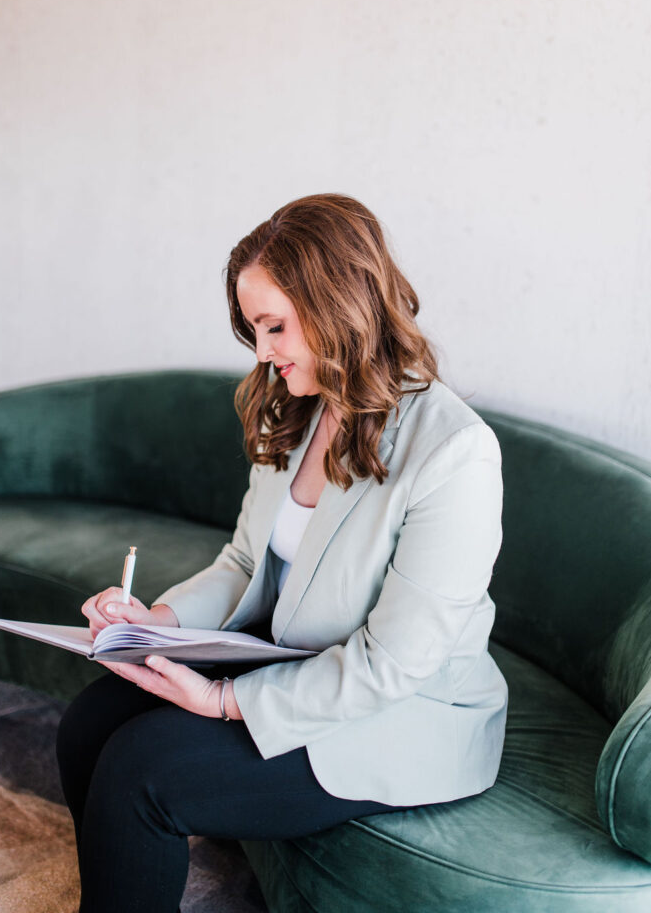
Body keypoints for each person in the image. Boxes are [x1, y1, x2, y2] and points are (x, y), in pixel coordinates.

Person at [56, 193, 507, 913]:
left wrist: (228, 699)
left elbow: (391, 665)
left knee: (143, 772)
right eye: (254, 330)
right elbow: (241, 563)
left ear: (340, 304)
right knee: (88, 723)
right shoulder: (298, 410)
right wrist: (154, 622)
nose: (262, 353)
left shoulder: (454, 453)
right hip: (293, 661)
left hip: (399, 713)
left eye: (274, 327)